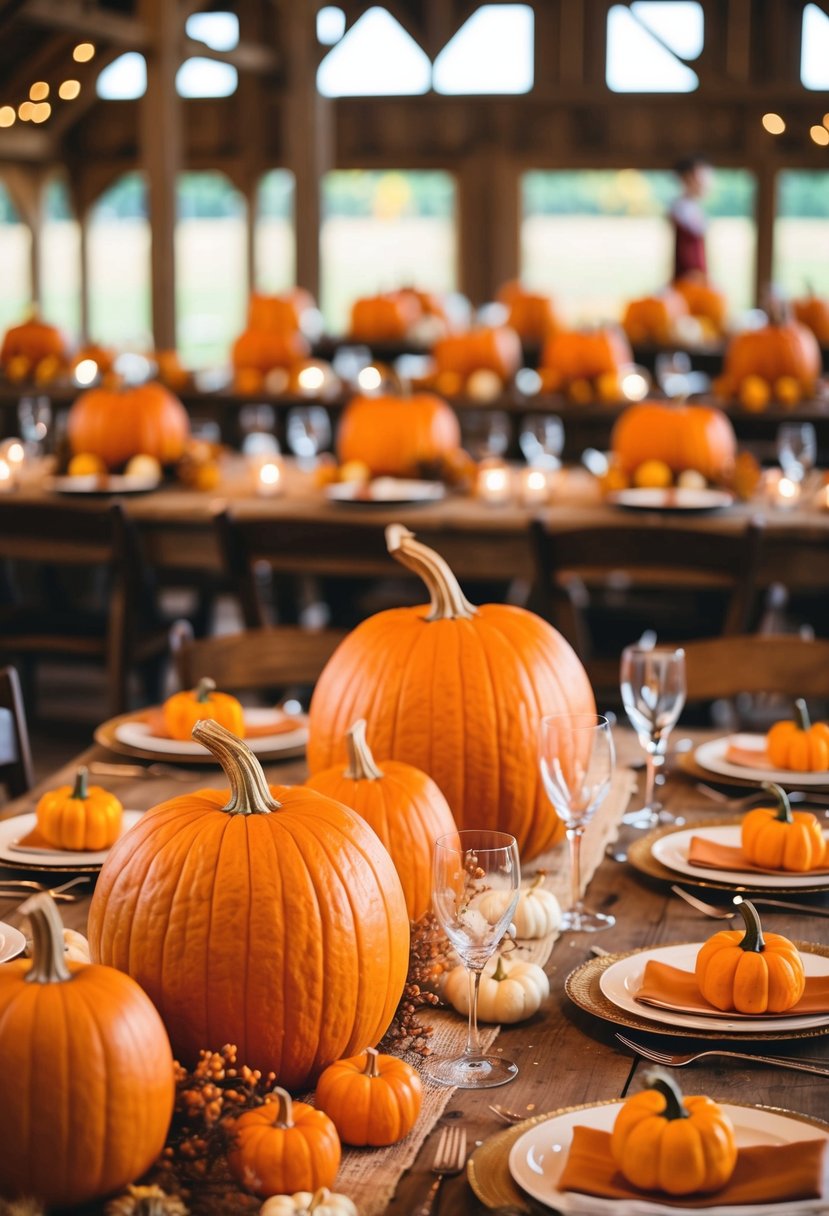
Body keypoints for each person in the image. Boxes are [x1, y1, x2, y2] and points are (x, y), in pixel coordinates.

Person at [669, 155, 712, 281]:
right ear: (687, 178)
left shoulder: (692, 208)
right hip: (689, 279)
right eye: (700, 175)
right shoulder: (681, 209)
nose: (705, 181)